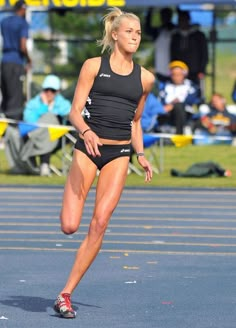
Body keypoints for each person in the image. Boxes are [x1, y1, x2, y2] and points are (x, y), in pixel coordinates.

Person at [53, 7, 154, 319]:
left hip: (119, 153)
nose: (134, 37)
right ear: (115, 34)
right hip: (87, 148)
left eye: (138, 33)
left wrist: (140, 153)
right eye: (129, 32)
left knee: (100, 222)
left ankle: (65, 294)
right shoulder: (93, 66)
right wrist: (85, 131)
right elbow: (74, 111)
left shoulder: (146, 79)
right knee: (70, 226)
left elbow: (136, 122)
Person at [4, 74, 71, 176]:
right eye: (46, 89)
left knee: (49, 120)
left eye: (52, 90)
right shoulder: (33, 103)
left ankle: (39, 164)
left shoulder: (64, 104)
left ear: (57, 92)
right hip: (34, 136)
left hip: (55, 137)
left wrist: (48, 111)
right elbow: (29, 120)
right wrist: (44, 106)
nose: (49, 93)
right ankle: (42, 165)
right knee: (41, 131)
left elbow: (67, 116)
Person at [0, 0, 31, 121]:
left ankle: (3, 126)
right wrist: (29, 60)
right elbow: (23, 46)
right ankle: (12, 130)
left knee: (6, 95)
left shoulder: (4, 22)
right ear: (22, 9)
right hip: (15, 63)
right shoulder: (23, 23)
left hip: (4, 62)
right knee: (15, 98)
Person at [159, 60, 201, 134]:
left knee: (179, 106)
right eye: (174, 74)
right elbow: (162, 100)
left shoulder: (191, 85)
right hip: (169, 113)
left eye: (178, 74)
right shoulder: (166, 86)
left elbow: (191, 100)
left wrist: (173, 104)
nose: (176, 77)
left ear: (184, 74)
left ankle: (180, 133)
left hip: (186, 113)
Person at [170, 10, 208, 89]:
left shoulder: (198, 35)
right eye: (180, 20)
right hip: (180, 71)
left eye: (184, 20)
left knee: (195, 92)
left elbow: (204, 54)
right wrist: (174, 68)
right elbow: (172, 53)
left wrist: (202, 70)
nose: (182, 22)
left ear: (188, 20)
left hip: (195, 71)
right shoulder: (176, 36)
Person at [144, 7, 175, 83]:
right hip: (160, 70)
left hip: (175, 69)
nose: (164, 18)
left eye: (167, 16)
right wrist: (150, 12)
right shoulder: (158, 31)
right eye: (163, 16)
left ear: (170, 16)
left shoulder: (176, 30)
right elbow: (147, 30)